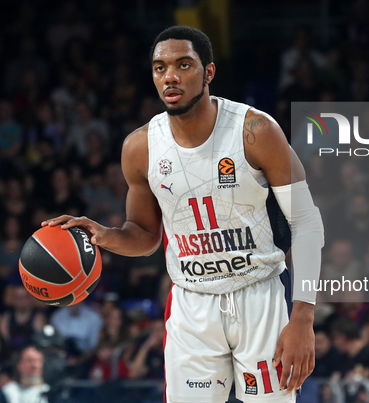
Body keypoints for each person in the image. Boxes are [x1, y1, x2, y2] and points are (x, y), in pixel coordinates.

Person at [43, 25, 324, 403]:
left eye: (183, 65)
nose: (170, 76)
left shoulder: (255, 130)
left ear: (208, 72)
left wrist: (303, 317)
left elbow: (306, 222)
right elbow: (144, 235)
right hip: (192, 303)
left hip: (260, 294)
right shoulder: (140, 147)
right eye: (160, 68)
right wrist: (105, 235)